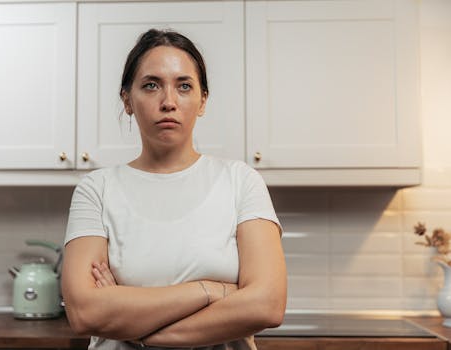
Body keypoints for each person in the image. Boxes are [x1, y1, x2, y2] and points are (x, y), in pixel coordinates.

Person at [61, 28, 287, 350]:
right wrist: (211, 291)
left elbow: (267, 304)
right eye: (151, 85)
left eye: (184, 86)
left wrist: (130, 321)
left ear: (202, 100)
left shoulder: (241, 181)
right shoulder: (96, 190)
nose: (168, 102)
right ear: (127, 99)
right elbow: (85, 313)